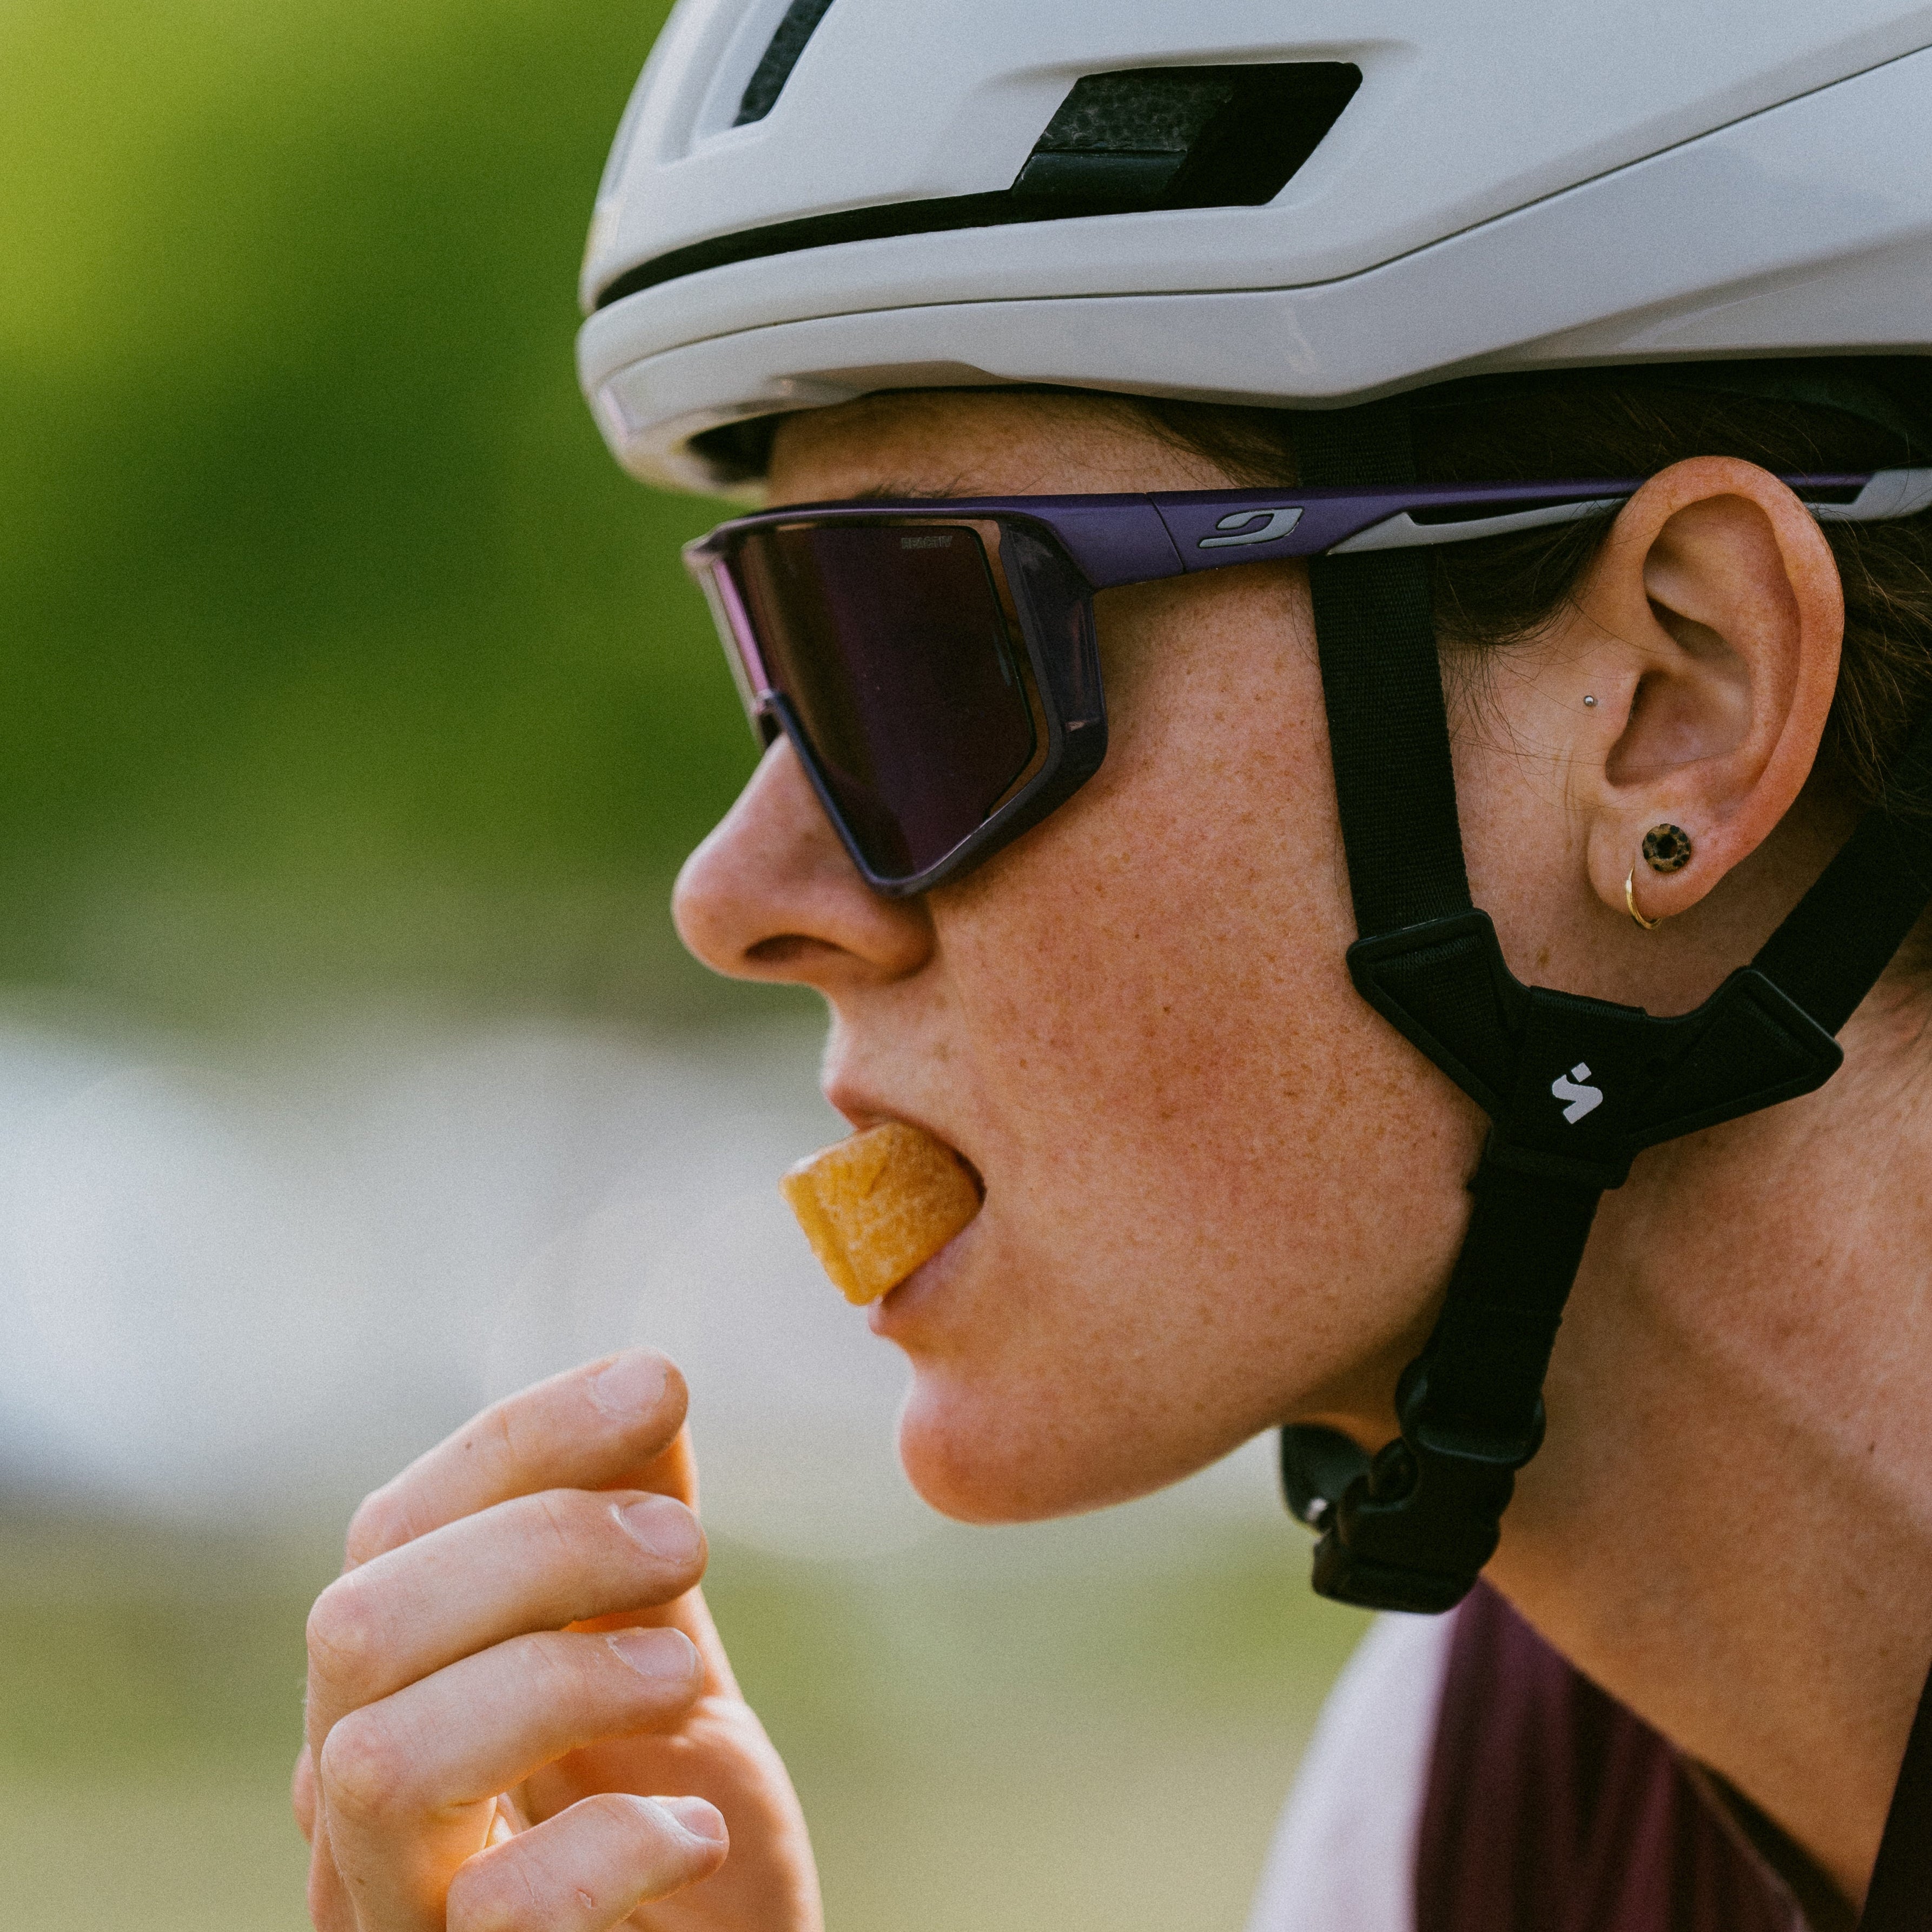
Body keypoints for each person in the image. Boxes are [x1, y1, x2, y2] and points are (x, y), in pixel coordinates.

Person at [295, 5, 1932, 1928]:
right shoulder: (1442, 1821)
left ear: (1678, 700)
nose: (737, 891)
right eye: (779, 673)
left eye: (921, 656)